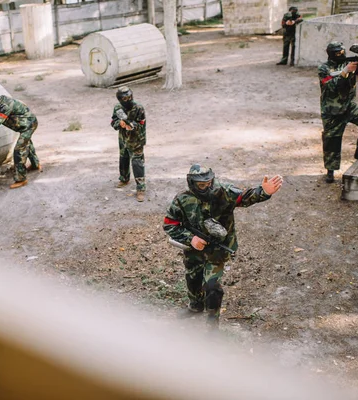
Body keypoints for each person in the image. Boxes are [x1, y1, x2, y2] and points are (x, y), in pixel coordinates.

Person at [163, 164, 283, 324]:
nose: (207, 187)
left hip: (218, 250)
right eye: (201, 185)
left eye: (209, 182)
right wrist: (190, 239)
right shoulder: (182, 199)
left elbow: (244, 197)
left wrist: (263, 192)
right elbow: (170, 224)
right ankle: (195, 306)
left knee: (212, 286)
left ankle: (212, 323)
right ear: (192, 183)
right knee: (193, 278)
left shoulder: (223, 191)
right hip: (194, 251)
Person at [318, 41, 358, 183]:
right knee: (332, 141)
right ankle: (330, 171)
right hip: (332, 111)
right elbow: (330, 85)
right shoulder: (324, 69)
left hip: (349, 107)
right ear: (331, 54)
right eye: (337, 53)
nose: (340, 55)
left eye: (341, 52)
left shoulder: (348, 63)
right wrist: (346, 71)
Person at [110, 86, 147, 202]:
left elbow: (142, 123)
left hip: (136, 140)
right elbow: (113, 121)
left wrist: (132, 126)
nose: (128, 100)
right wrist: (119, 124)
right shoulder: (117, 108)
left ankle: (140, 188)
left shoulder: (139, 108)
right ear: (120, 99)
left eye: (129, 97)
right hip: (123, 139)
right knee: (123, 159)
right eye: (125, 98)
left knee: (137, 163)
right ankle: (124, 178)